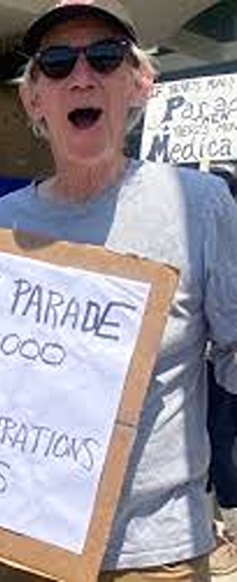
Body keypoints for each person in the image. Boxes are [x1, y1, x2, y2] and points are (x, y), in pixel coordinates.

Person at [0, 1, 237, 580]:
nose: (82, 76)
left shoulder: (201, 206)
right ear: (33, 99)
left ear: (140, 83)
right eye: (58, 62)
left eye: (105, 57)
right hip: (12, 542)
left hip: (151, 555)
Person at [206, 162, 237, 577]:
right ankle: (217, 529)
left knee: (225, 449)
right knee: (210, 443)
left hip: (229, 365)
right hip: (209, 365)